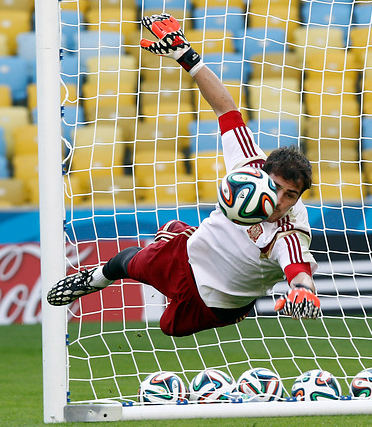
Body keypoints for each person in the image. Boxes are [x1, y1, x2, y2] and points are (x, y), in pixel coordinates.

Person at [47, 13, 321, 337]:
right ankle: (94, 279)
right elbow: (226, 109)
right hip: (187, 256)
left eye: (291, 195)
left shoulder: (290, 230)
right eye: (276, 187)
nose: (279, 200)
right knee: (126, 263)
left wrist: (303, 289)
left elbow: (297, 266)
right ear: (262, 173)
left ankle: (176, 232)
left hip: (217, 301)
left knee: (169, 328)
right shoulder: (248, 163)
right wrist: (185, 56)